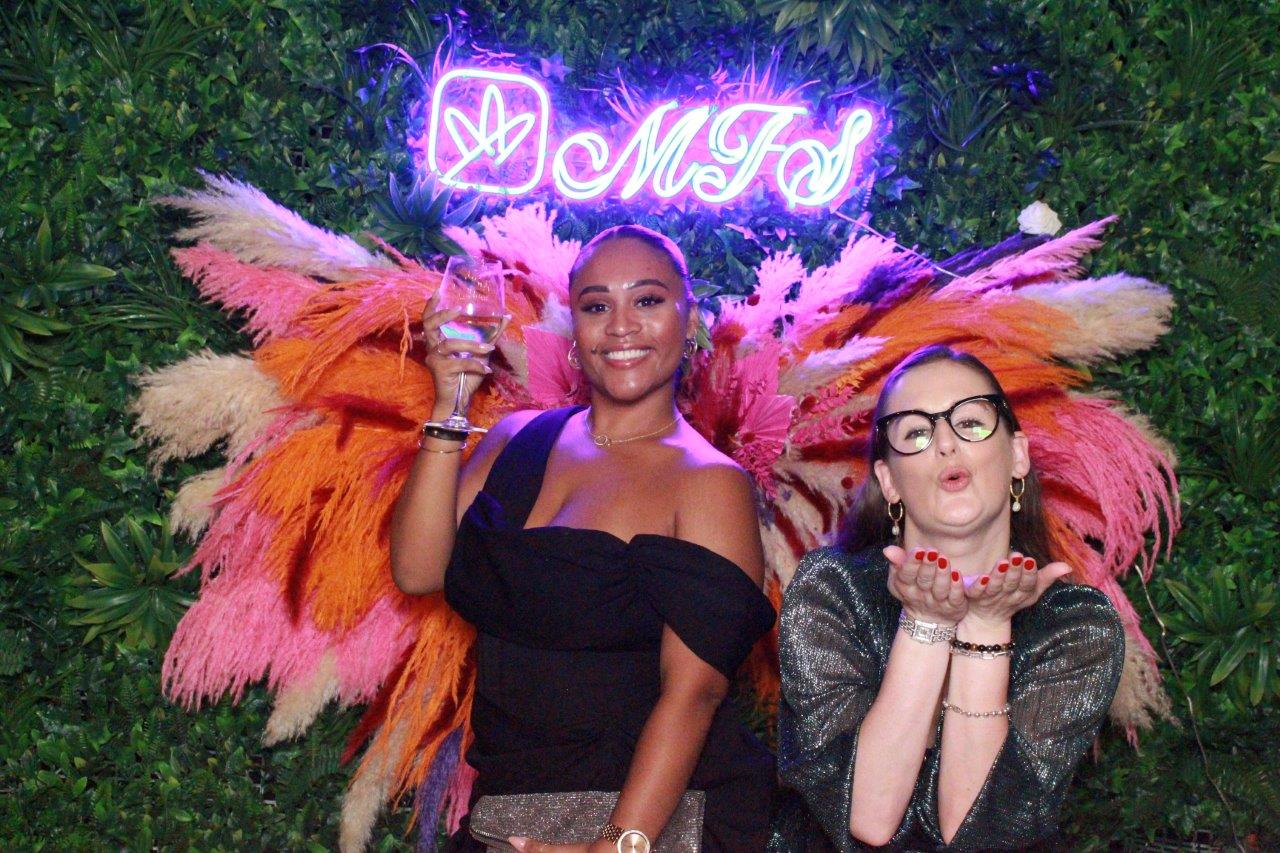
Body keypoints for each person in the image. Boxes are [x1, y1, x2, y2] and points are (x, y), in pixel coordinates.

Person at [389, 225, 777, 852]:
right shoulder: (517, 439)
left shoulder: (709, 482)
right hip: (505, 815)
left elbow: (695, 693)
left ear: (689, 321)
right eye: (597, 306)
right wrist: (450, 405)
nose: (621, 326)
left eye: (647, 301)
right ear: (575, 330)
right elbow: (417, 571)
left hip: (650, 821)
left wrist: (618, 844)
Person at [771, 345, 1124, 851]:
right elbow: (868, 818)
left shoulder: (1076, 626)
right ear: (888, 482)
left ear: (1017, 456)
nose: (945, 444)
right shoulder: (832, 589)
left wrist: (986, 627)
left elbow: (976, 834)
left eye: (970, 422)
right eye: (916, 432)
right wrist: (927, 623)